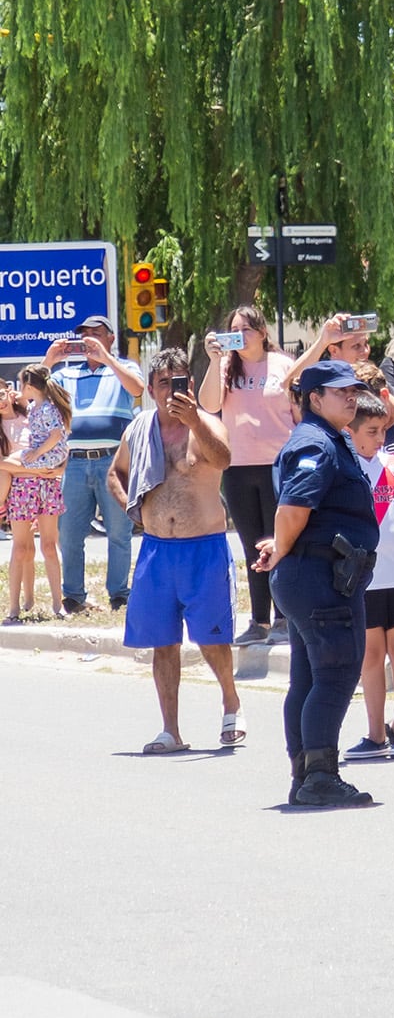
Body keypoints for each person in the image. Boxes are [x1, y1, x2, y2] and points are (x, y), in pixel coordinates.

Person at [249, 360, 379, 809]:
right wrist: (283, 547)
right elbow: (293, 509)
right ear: (314, 398)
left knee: (309, 676)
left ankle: (306, 773)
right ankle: (319, 775)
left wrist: (284, 547)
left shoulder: (329, 440)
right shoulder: (316, 444)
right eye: (340, 391)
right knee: (336, 672)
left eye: (353, 391)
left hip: (320, 573)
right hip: (320, 575)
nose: (351, 398)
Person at [108, 351, 244, 753]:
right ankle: (171, 729)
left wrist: (195, 421)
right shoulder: (138, 429)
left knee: (211, 637)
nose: (171, 391)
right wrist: (132, 509)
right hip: (156, 550)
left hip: (203, 547)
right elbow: (116, 473)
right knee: (162, 641)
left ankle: (231, 702)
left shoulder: (206, 425)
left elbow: (224, 459)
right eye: (164, 383)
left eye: (179, 382)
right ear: (150, 389)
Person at [344, 404, 394, 760]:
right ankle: (376, 733)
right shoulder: (345, 469)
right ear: (352, 431)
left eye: (383, 431)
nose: (380, 438)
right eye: (372, 432)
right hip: (364, 578)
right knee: (371, 655)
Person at [48, 315, 144, 612]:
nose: (88, 339)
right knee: (70, 533)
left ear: (110, 338)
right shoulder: (65, 374)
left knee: (118, 531)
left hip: (114, 461)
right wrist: (50, 359)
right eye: (84, 335)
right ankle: (73, 596)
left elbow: (138, 389)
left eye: (96, 334)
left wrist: (107, 360)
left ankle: (119, 594)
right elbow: (34, 391)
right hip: (75, 464)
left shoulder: (125, 368)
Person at [1, 364, 70, 622]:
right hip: (23, 487)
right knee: (20, 549)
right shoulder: (31, 409)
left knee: (50, 546)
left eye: (22, 386)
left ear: (29, 387)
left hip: (46, 484)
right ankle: (14, 608)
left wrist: (43, 462)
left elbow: (58, 439)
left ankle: (57, 604)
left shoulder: (40, 410)